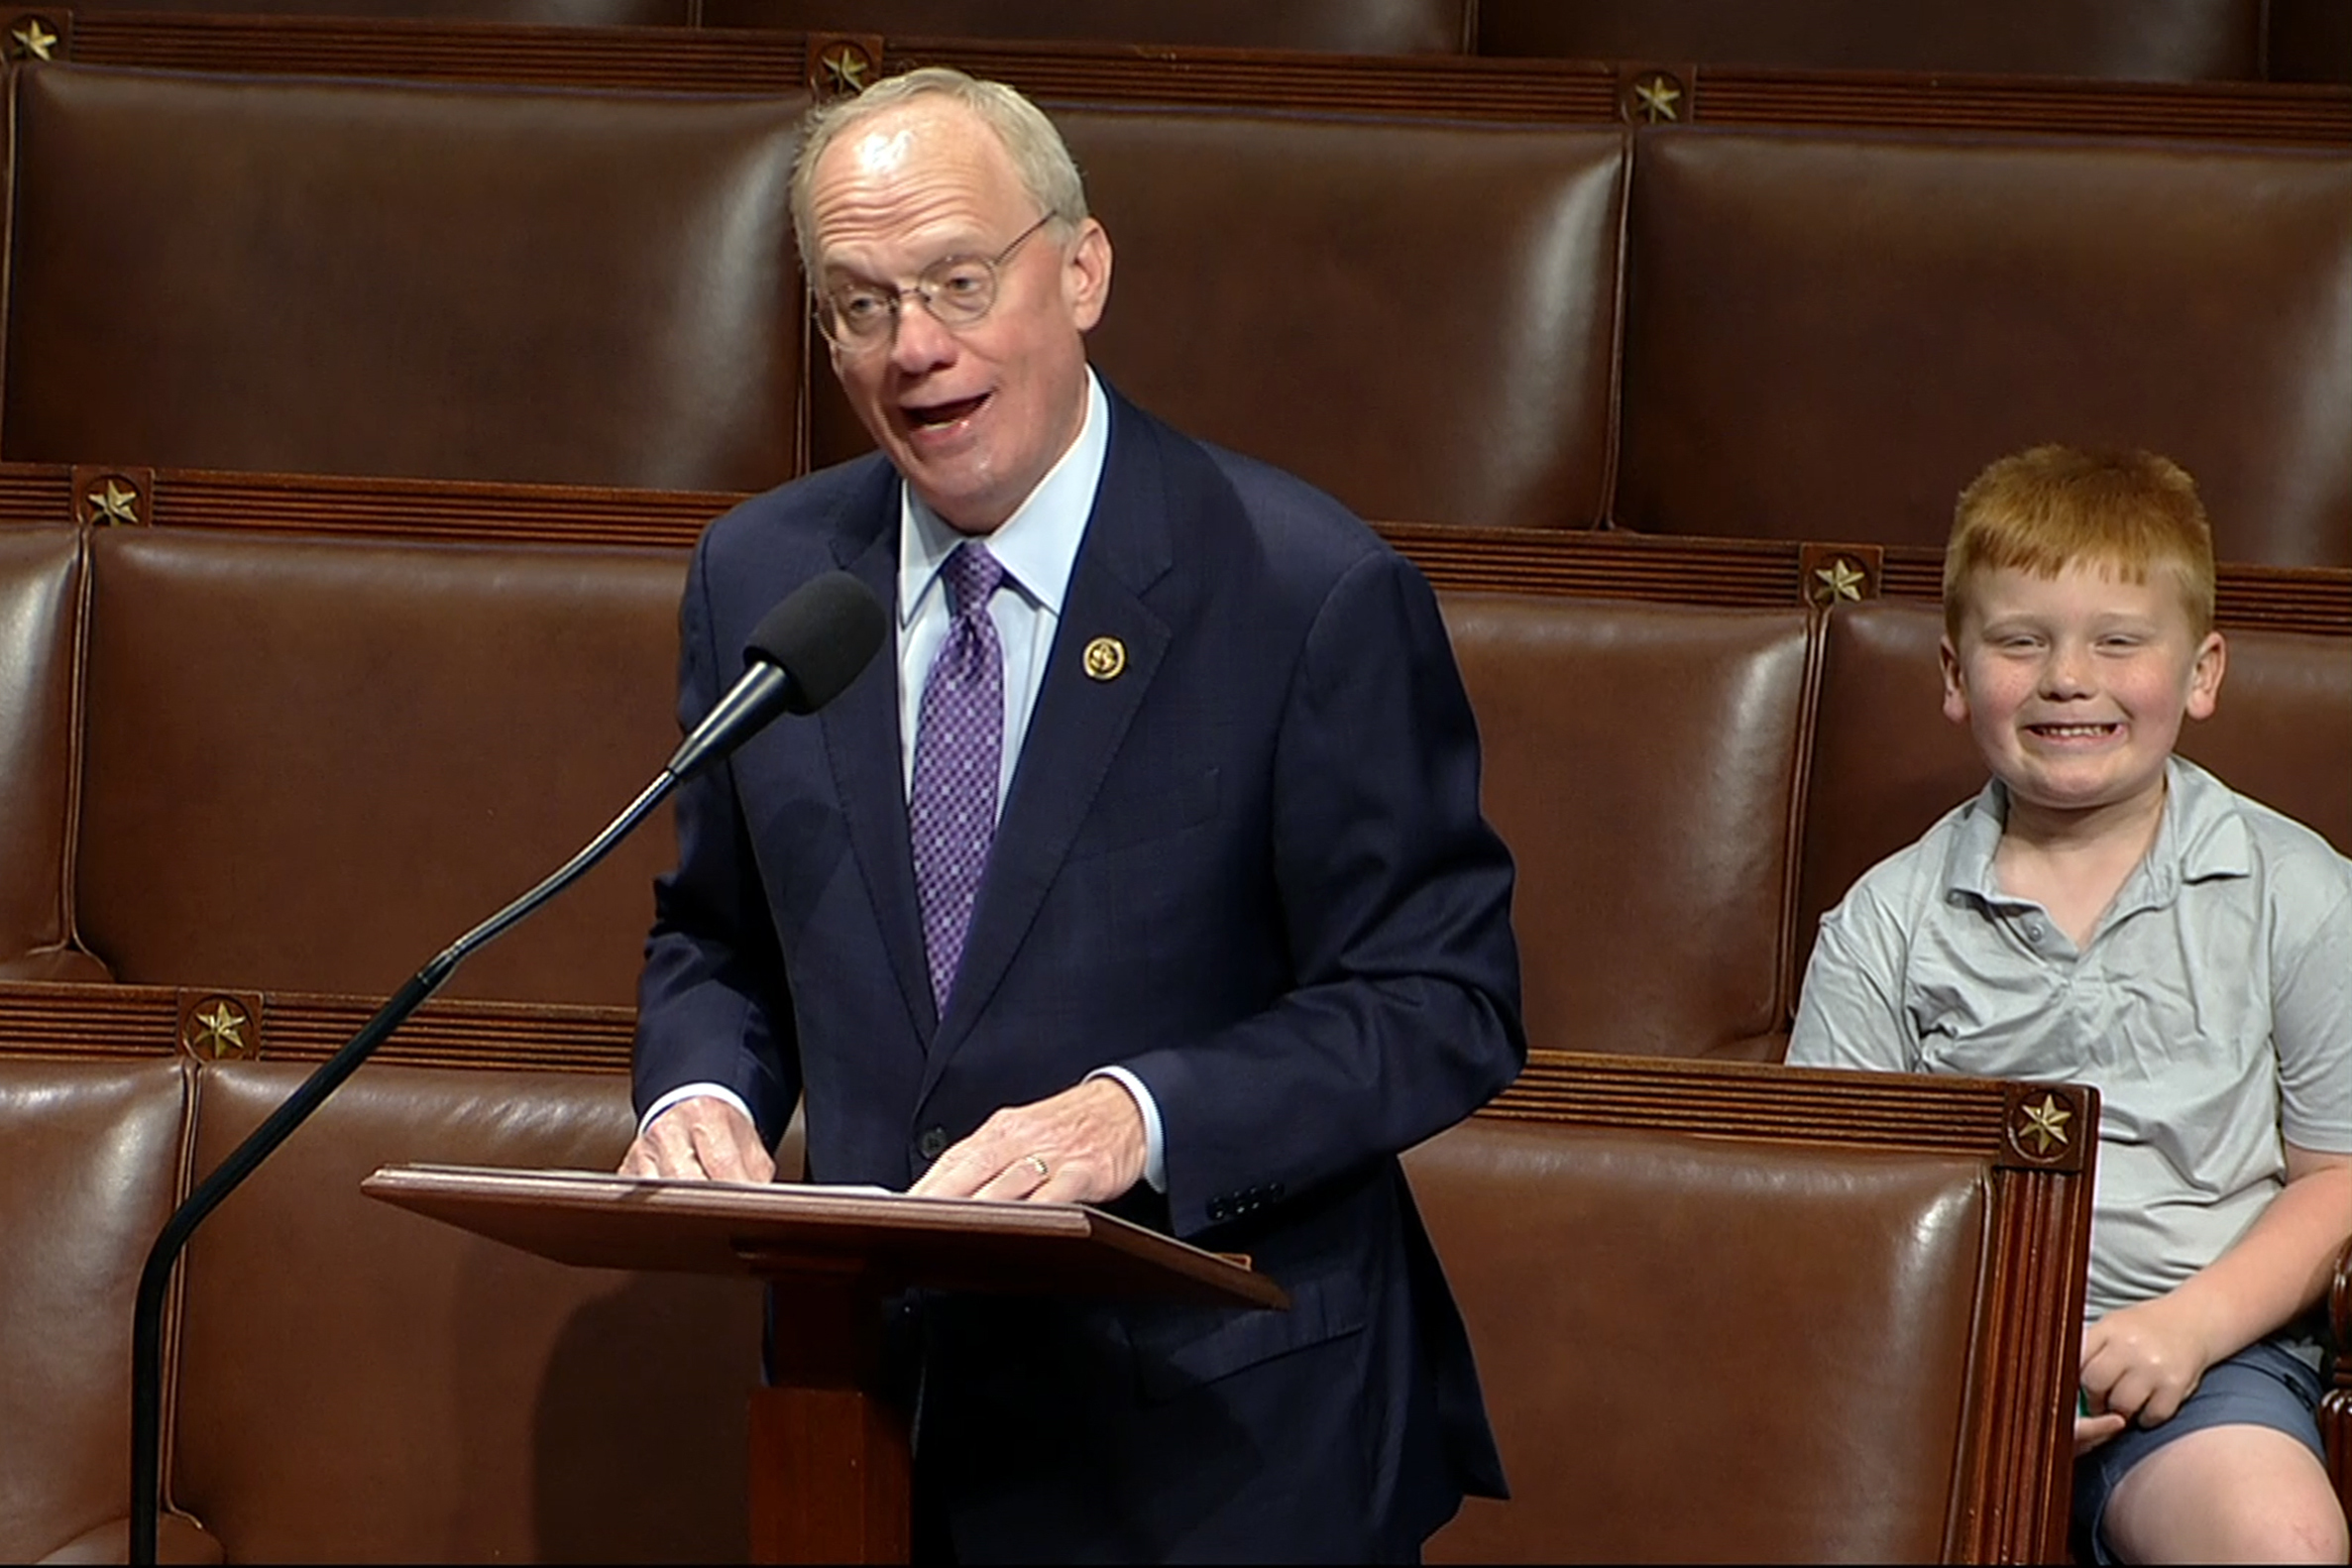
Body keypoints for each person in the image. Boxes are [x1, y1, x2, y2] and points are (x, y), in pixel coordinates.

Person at [617, 65, 1524, 1563]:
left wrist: (1140, 1114)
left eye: (960, 282)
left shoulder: (1302, 589)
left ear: (1083, 268)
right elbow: (717, 935)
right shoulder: (764, 581)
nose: (916, 348)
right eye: (859, 304)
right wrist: (697, 1092)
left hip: (1217, 1444)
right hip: (871, 1419)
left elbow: (1441, 998)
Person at [1788, 444, 2352, 1564]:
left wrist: (2181, 1332)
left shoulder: (2299, 890)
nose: (2067, 677)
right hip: (1936, 1360)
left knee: (2276, 1537)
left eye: (2118, 641)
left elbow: (2340, 1174)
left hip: (2206, 1355)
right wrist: (1967, 1368)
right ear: (1955, 674)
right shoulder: (1885, 921)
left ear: (2202, 672)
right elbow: (1823, 1208)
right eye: (2021, 640)